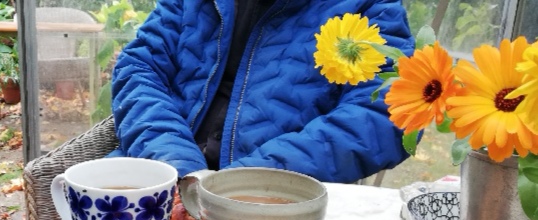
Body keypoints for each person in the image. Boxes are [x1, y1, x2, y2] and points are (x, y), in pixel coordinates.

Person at [107, 0, 416, 183]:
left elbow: (386, 113)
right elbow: (139, 68)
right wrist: (173, 159)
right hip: (161, 173)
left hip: (279, 201)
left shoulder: (369, 7)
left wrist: (250, 179)